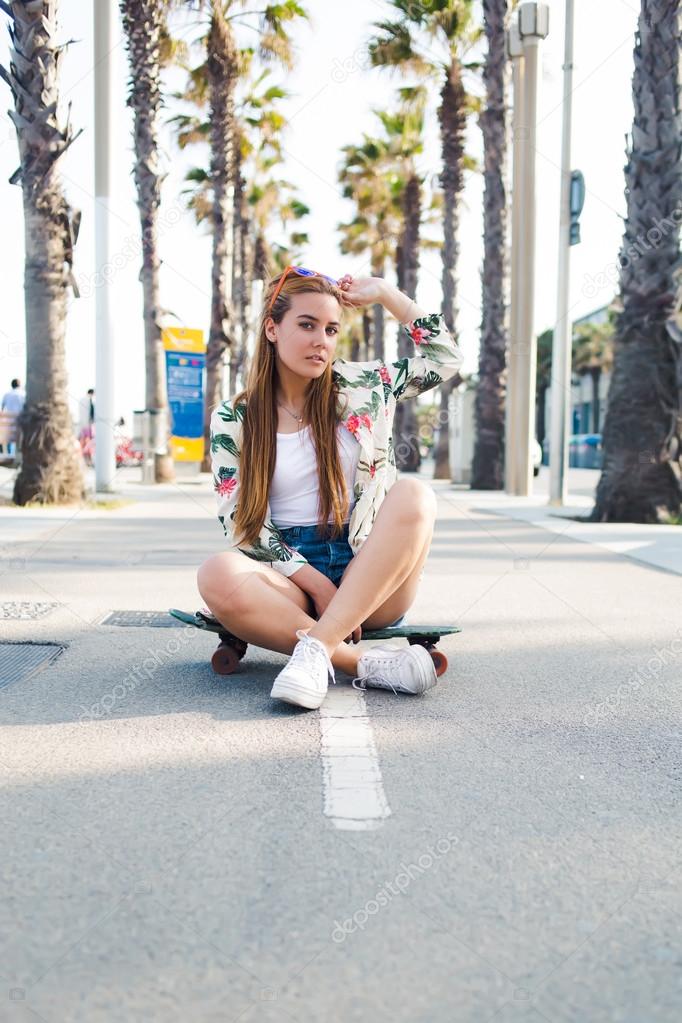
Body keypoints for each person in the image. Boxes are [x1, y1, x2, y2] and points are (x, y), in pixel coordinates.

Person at [197, 268, 463, 710]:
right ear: (272, 328)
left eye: (331, 329)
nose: (321, 340)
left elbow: (445, 358)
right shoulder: (235, 417)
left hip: (371, 571)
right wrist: (318, 586)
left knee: (416, 496)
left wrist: (384, 294)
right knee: (216, 574)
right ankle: (361, 662)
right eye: (306, 325)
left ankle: (316, 648)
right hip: (293, 582)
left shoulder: (365, 386)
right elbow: (239, 521)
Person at [1, 378, 25, 456]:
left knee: (7, 433)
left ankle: (6, 453)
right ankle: (18, 454)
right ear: (19, 385)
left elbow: (2, 408)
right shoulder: (23, 394)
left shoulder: (6, 394)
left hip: (7, 428)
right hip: (20, 426)